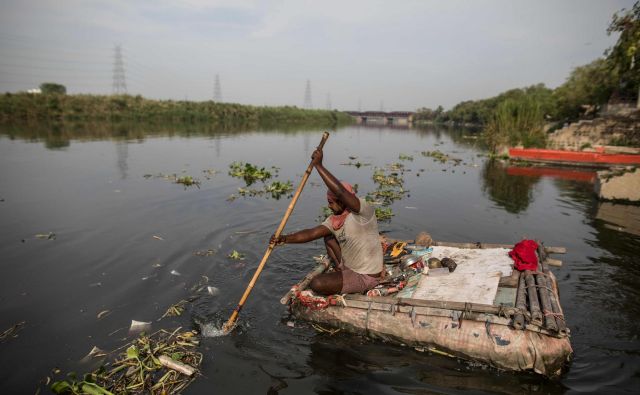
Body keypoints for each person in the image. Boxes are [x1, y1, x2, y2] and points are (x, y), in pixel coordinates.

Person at [270, 147, 384, 295]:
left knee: (317, 283)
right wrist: (284, 239)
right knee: (328, 236)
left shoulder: (363, 211)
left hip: (365, 276)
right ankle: (341, 271)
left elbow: (340, 192)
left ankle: (349, 280)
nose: (329, 206)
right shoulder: (335, 220)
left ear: (342, 201)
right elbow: (311, 233)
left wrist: (319, 166)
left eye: (331, 202)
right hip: (350, 267)